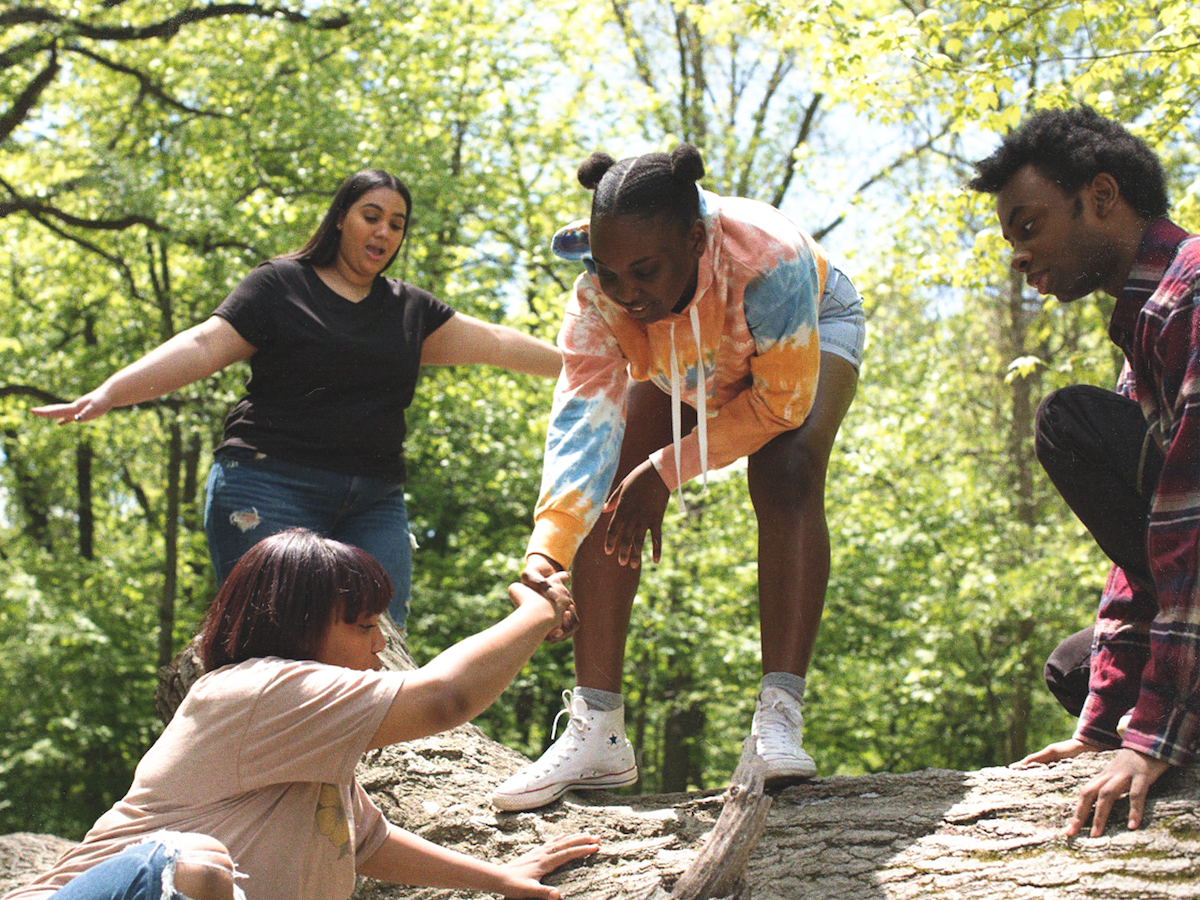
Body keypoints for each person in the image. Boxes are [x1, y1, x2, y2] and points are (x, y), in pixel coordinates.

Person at [491, 143, 865, 811]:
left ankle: (778, 718)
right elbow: (582, 427)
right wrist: (543, 552)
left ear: (694, 238)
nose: (626, 291)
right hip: (681, 353)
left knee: (788, 470)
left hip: (800, 327)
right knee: (608, 482)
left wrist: (668, 467)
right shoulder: (603, 297)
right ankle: (598, 730)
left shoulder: (768, 263)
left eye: (643, 270)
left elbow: (780, 404)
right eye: (609, 272)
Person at [31, 168, 561, 626]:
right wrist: (108, 394)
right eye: (370, 215)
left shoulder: (409, 310)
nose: (383, 231)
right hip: (269, 485)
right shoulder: (280, 285)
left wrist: (593, 370)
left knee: (380, 643)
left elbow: (496, 341)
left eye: (396, 225)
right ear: (339, 219)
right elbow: (201, 343)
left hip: (374, 502)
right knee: (279, 640)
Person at [2, 528, 598, 900]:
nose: (377, 648)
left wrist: (498, 878)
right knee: (196, 866)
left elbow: (366, 843)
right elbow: (445, 698)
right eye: (362, 626)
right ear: (293, 623)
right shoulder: (255, 690)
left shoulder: (306, 750)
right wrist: (539, 609)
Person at [967, 105, 1200, 838]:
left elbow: (1188, 532)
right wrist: (1101, 729)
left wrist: (1153, 737)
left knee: (1066, 420)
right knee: (1077, 669)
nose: (1018, 257)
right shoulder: (1146, 330)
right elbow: (1140, 547)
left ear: (1101, 198)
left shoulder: (1191, 299)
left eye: (1029, 227)